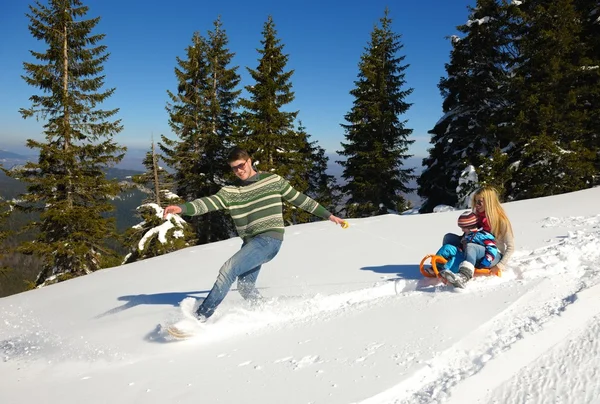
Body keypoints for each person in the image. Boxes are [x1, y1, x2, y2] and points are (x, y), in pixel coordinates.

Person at [162, 146, 346, 321]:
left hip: (269, 239)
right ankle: (266, 313)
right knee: (245, 287)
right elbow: (208, 203)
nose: (238, 171)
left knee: (228, 269)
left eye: (241, 166)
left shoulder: (273, 181)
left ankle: (200, 318)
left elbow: (300, 199)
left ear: (249, 162)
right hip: (251, 243)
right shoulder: (231, 192)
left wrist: (329, 215)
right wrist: (182, 208)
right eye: (234, 169)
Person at [441, 186, 515, 287]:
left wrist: (500, 265)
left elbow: (511, 247)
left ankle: (463, 276)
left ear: (489, 202)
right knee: (448, 238)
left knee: (471, 246)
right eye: (475, 202)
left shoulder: (501, 221)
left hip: (492, 255)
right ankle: (448, 263)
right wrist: (463, 239)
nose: (477, 205)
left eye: (480, 202)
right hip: (474, 247)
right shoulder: (476, 216)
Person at [432, 211, 500, 288]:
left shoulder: (483, 235)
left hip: (484, 259)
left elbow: (492, 248)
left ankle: (464, 276)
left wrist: (486, 260)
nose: (462, 230)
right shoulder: (468, 234)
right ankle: (438, 266)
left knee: (470, 246)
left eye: (463, 228)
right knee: (448, 248)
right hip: (467, 255)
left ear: (470, 227)